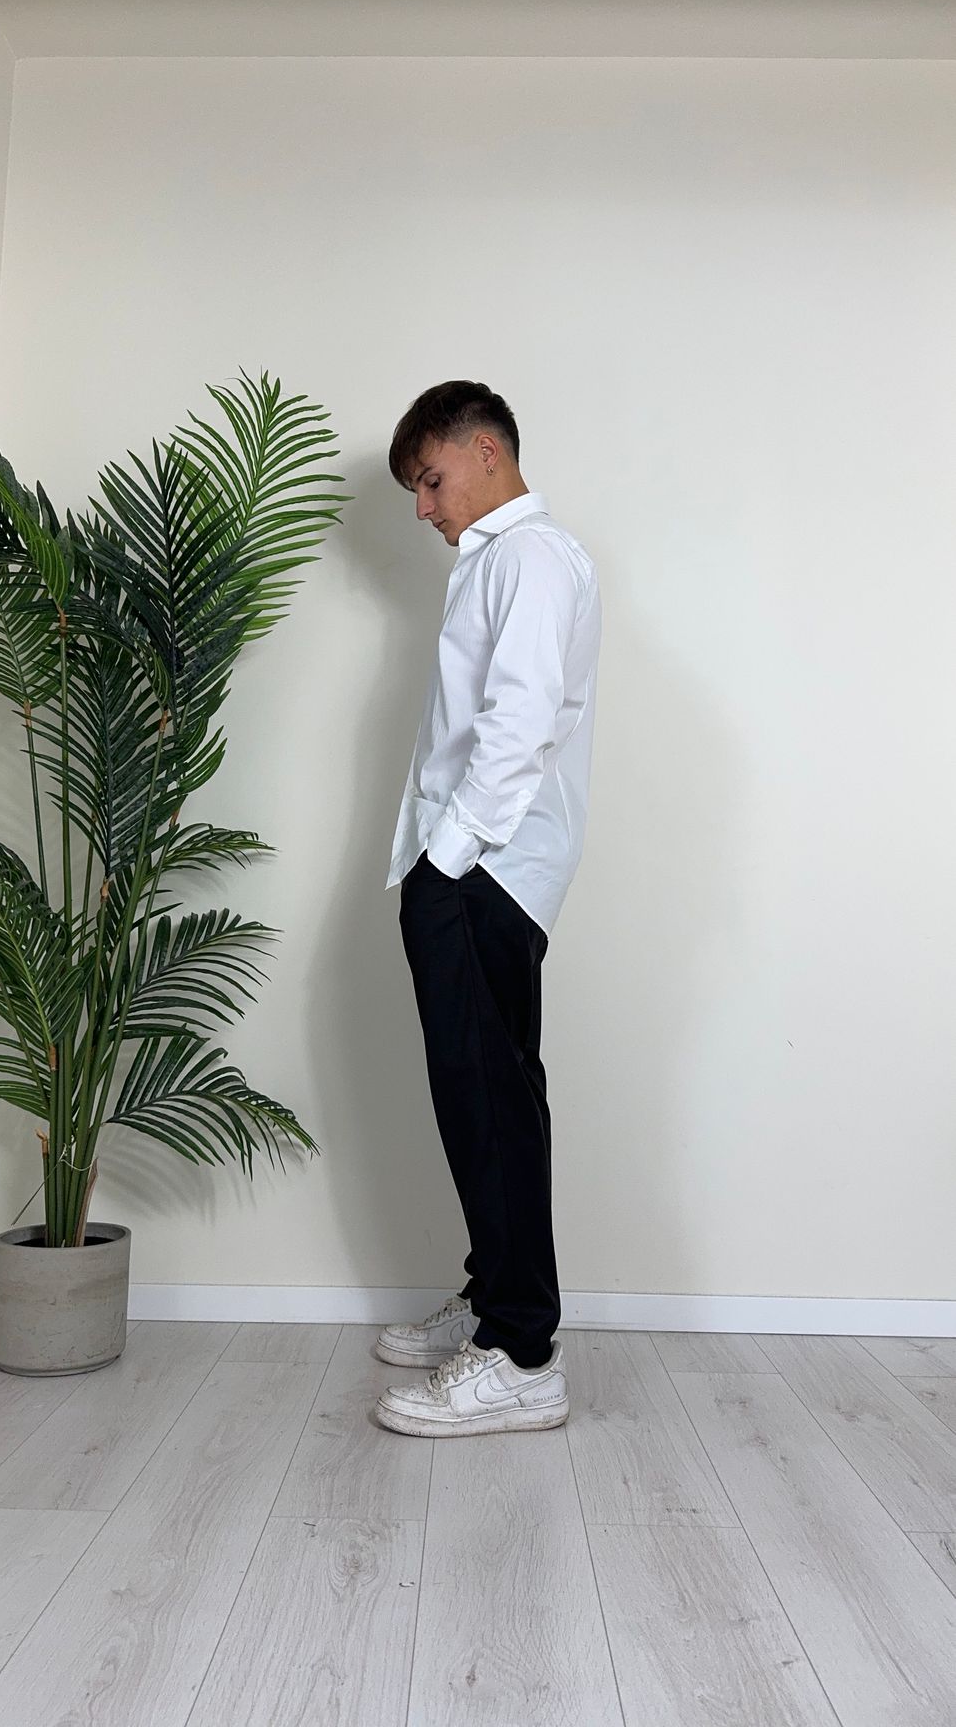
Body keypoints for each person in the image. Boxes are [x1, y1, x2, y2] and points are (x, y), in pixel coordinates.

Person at [373, 380, 602, 1438]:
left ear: (484, 451)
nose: (423, 508)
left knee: (489, 1100)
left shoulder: (530, 557)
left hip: (483, 872)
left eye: (430, 481)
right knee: (489, 1096)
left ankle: (519, 1353)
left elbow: (519, 725)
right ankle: (494, 1300)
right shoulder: (502, 562)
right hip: (479, 869)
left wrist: (446, 859)